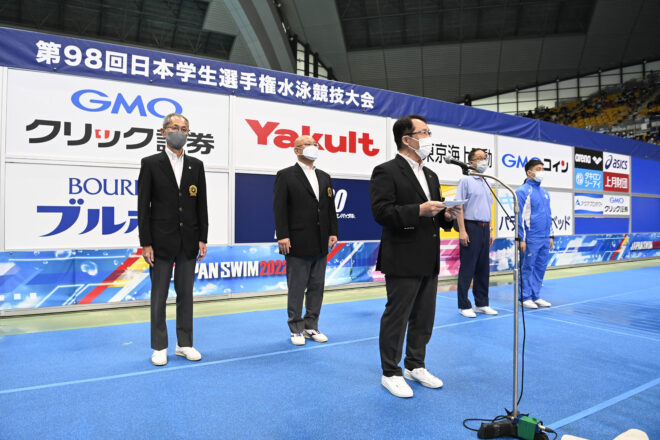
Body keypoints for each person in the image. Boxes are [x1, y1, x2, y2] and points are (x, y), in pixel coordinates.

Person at [370, 114, 459, 398]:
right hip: (402, 255)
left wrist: (447, 215)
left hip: (428, 256)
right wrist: (418, 210)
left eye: (428, 132)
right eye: (424, 132)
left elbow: (436, 216)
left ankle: (415, 365)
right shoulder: (386, 171)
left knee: (424, 316)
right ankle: (390, 372)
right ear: (406, 139)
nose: (429, 137)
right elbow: (381, 212)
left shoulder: (430, 174)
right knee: (397, 316)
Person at [138, 113, 209, 366]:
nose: (180, 132)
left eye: (184, 129)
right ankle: (159, 346)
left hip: (189, 240)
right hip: (159, 242)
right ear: (163, 132)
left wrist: (202, 237)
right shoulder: (150, 163)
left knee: (185, 294)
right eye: (175, 127)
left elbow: (201, 205)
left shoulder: (196, 165)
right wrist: (146, 242)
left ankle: (184, 344)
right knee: (159, 295)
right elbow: (143, 207)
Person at [273, 136, 338, 346]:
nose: (313, 148)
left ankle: (311, 325)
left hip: (321, 241)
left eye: (315, 145)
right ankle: (296, 327)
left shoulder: (324, 176)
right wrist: (282, 235)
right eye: (308, 145)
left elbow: (329, 207)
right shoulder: (285, 175)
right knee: (297, 287)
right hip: (296, 240)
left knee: (317, 286)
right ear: (296, 150)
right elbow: (279, 207)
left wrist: (333, 231)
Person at [455, 148, 497, 318]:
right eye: (479, 158)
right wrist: (462, 231)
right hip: (471, 227)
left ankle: (482, 303)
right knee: (468, 268)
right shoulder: (465, 180)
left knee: (483, 268)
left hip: (485, 228)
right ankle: (463, 305)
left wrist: (491, 229)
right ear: (470, 162)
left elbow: (488, 207)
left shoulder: (487, 181)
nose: (483, 161)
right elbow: (459, 206)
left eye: (485, 157)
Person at [516, 159, 553, 309]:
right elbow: (519, 216)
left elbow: (549, 215)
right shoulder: (522, 191)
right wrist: (521, 238)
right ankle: (524, 297)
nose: (541, 172)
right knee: (527, 267)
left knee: (540, 267)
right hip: (531, 237)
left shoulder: (545, 193)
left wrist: (551, 235)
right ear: (529, 172)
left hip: (544, 237)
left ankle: (535, 295)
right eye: (538, 169)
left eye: (542, 169)